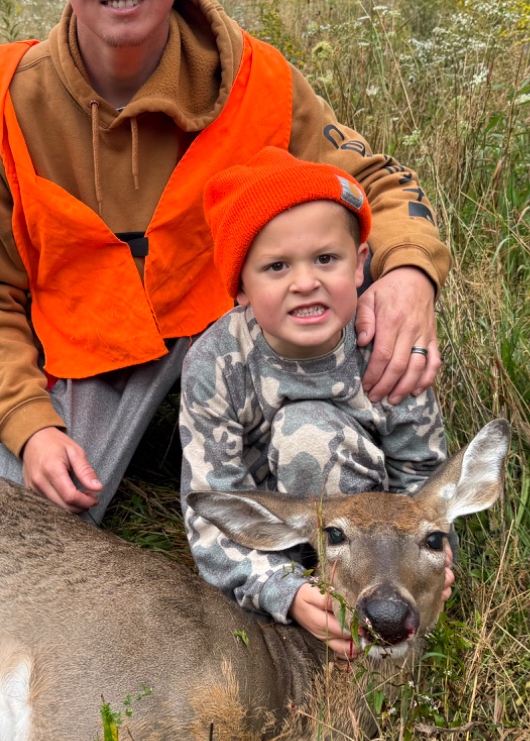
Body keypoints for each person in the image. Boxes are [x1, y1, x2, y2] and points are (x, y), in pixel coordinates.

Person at [0, 0, 448, 524]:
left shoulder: (257, 82)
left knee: (324, 444)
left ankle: (353, 488)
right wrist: (28, 422)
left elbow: (379, 184)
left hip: (240, 338)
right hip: (85, 360)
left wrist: (410, 274)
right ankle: (128, 446)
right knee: (25, 530)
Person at [180, 147, 449, 658]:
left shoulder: (386, 344)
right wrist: (282, 591)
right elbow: (211, 512)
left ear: (360, 264)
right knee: (302, 436)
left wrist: (431, 560)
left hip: (374, 542)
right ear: (240, 287)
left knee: (308, 434)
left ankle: (374, 602)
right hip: (272, 529)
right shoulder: (214, 364)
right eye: (276, 266)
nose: (305, 283)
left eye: (326, 259)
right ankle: (314, 599)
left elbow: (423, 481)